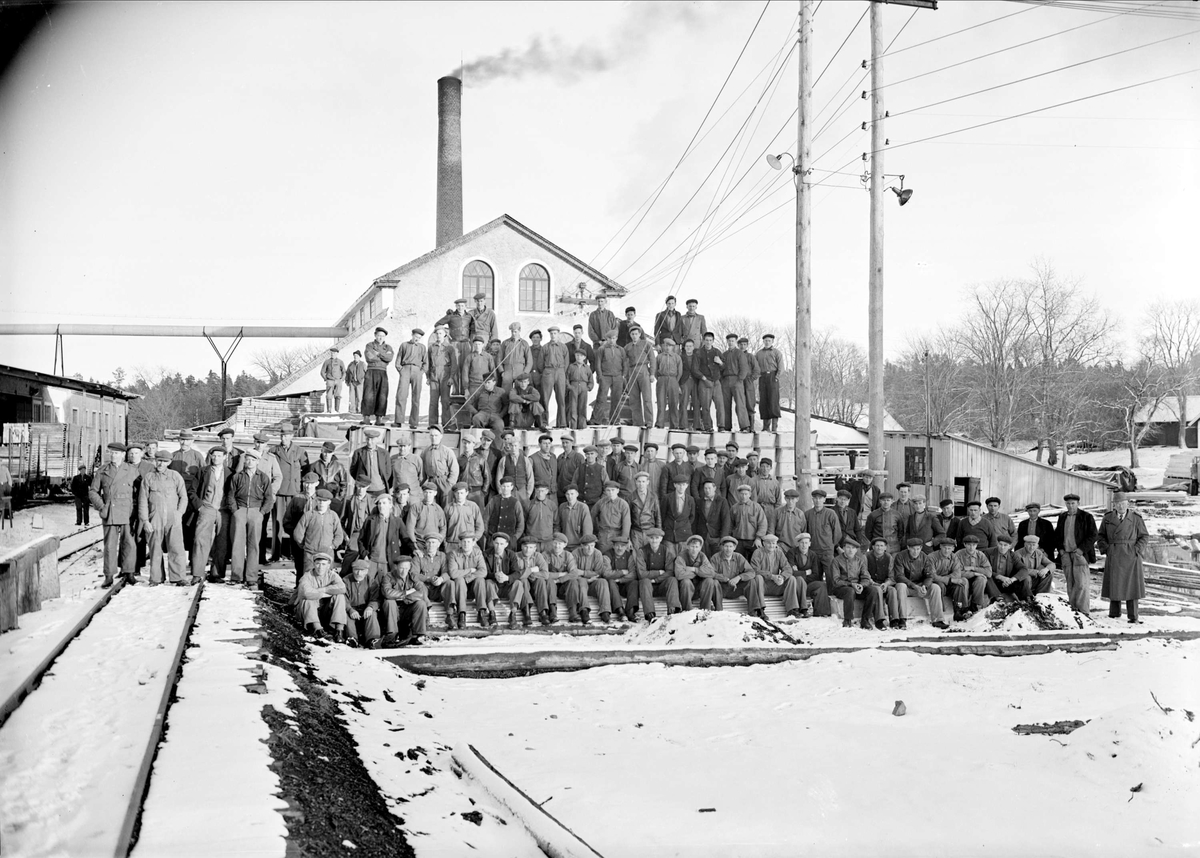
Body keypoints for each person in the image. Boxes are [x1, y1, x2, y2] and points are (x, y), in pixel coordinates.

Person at [137, 451, 189, 585]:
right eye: (159, 460)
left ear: (169, 462)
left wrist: (179, 513)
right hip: (155, 517)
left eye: (164, 461)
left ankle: (178, 577)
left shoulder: (175, 476)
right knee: (155, 548)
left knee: (176, 547)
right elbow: (142, 501)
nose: (161, 464)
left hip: (173, 517)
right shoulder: (149, 477)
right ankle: (156, 578)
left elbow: (183, 497)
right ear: (155, 461)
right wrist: (145, 521)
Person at [225, 448, 275, 587]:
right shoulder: (237, 476)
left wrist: (262, 512)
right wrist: (235, 510)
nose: (249, 462)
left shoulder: (263, 477)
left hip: (256, 512)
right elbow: (230, 495)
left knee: (254, 545)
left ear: (257, 461)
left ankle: (251, 576)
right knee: (237, 544)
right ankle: (236, 576)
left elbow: (269, 498)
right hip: (240, 511)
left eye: (253, 460)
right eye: (247, 459)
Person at [1097, 492, 1148, 623]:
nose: (1120, 506)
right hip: (1114, 554)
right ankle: (1114, 614)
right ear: (1114, 505)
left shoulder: (1136, 518)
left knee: (1132, 586)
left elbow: (1144, 536)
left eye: (1123, 503)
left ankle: (1133, 616)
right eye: (1117, 504)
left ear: (1128, 504)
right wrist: (1107, 549)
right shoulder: (1108, 518)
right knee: (1115, 584)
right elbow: (1100, 536)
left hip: (1131, 555)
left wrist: (1136, 549)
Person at [1054, 492, 1098, 614]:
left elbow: (1093, 534)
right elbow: (1057, 535)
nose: (1070, 506)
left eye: (1073, 503)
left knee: (1082, 584)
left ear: (1078, 503)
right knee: (1070, 583)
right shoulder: (1062, 517)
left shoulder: (1086, 517)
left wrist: (1081, 550)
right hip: (1066, 555)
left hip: (1080, 554)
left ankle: (1083, 611)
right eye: (1068, 503)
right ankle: (1073, 609)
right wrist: (1061, 550)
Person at [190, 447, 227, 584]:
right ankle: (197, 574)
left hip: (223, 510)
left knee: (221, 542)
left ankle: (216, 574)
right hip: (206, 508)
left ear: (224, 457)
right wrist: (199, 506)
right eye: (214, 456)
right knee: (200, 540)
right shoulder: (203, 471)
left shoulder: (230, 473)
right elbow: (192, 491)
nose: (216, 458)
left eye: (219, 456)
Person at [892, 537, 948, 629]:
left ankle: (938, 619)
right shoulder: (900, 556)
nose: (915, 551)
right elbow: (899, 576)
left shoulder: (925, 557)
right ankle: (902, 619)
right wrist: (914, 586)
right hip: (908, 586)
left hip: (921, 586)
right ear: (908, 547)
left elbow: (929, 575)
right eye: (913, 549)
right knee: (900, 586)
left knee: (935, 587)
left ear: (921, 548)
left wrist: (925, 586)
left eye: (918, 549)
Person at [270, 423, 305, 564]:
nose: (284, 438)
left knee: (294, 524)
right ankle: (276, 554)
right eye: (282, 435)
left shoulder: (300, 451)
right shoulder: (274, 451)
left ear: (292, 436)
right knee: (277, 523)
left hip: (294, 493)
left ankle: (293, 553)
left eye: (287, 435)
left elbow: (306, 470)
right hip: (279, 491)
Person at [293, 489, 347, 579]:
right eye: (320, 500)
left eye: (324, 501)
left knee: (326, 578)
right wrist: (306, 546)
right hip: (310, 554)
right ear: (316, 500)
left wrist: (332, 546)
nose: (322, 503)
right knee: (308, 578)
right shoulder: (308, 515)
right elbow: (298, 533)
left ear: (329, 502)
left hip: (327, 553)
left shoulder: (333, 516)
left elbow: (339, 534)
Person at [293, 552, 348, 640]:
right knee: (308, 599)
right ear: (314, 564)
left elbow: (342, 588)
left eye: (323, 564)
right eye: (318, 564)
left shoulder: (333, 575)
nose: (320, 567)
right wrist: (323, 594)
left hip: (323, 611)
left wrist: (323, 589)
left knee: (340, 596)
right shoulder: (307, 576)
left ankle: (339, 630)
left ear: (328, 565)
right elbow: (306, 593)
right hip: (307, 612)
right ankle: (318, 630)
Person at [379, 555, 428, 646]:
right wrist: (406, 593)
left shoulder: (413, 576)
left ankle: (418, 635)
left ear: (409, 567)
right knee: (389, 602)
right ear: (396, 567)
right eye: (401, 568)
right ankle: (391, 635)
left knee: (420, 603)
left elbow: (422, 592)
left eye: (406, 568)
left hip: (407, 608)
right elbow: (387, 593)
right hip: (392, 611)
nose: (404, 571)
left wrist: (405, 597)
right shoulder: (388, 576)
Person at [753, 533, 806, 619]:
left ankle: (792, 610)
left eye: (774, 543)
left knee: (791, 578)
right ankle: (760, 610)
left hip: (776, 585)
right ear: (764, 543)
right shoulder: (758, 552)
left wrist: (782, 577)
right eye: (769, 543)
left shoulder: (779, 552)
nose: (771, 545)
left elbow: (788, 568)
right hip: (763, 586)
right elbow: (755, 570)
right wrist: (771, 576)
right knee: (758, 578)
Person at [830, 538, 878, 630]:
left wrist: (861, 585)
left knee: (873, 590)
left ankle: (865, 619)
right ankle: (847, 619)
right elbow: (836, 580)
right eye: (848, 547)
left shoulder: (860, 561)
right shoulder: (836, 561)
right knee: (850, 591)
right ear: (843, 548)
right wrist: (851, 584)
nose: (850, 550)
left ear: (856, 550)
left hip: (857, 587)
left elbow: (866, 577)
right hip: (841, 588)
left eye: (853, 548)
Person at [447, 533, 490, 629]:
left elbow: (483, 571)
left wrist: (469, 577)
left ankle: (481, 612)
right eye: (464, 542)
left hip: (473, 589)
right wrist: (470, 570)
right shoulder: (454, 554)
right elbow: (453, 573)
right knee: (459, 580)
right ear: (460, 543)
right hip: (460, 589)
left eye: (469, 542)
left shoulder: (478, 553)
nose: (466, 544)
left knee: (480, 580)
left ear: (473, 543)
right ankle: (462, 614)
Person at [805, 489, 843, 589]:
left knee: (831, 576)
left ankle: (831, 597)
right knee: (816, 576)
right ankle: (818, 598)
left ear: (824, 499)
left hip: (827, 551)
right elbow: (805, 533)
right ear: (812, 499)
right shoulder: (808, 514)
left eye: (820, 498)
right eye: (815, 498)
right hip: (813, 551)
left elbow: (838, 533)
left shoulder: (831, 513)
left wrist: (831, 546)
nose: (817, 500)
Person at [788, 532, 831, 617]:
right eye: (802, 543)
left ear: (810, 544)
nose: (804, 545)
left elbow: (815, 575)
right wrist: (806, 572)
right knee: (800, 580)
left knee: (821, 585)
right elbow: (790, 572)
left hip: (808, 584)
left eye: (806, 543)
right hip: (796, 584)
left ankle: (821, 612)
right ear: (798, 544)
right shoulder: (791, 553)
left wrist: (799, 573)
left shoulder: (813, 555)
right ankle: (802, 609)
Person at [341, 558, 383, 648]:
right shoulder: (345, 580)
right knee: (347, 616)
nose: (359, 573)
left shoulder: (371, 581)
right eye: (356, 570)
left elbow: (376, 598)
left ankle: (373, 639)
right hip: (351, 608)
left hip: (365, 608)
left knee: (372, 614)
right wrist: (350, 610)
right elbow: (343, 598)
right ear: (352, 570)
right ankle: (352, 639)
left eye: (362, 571)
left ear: (367, 571)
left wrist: (370, 607)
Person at [865, 536, 904, 630]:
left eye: (882, 546)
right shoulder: (866, 556)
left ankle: (894, 619)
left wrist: (886, 584)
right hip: (870, 584)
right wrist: (873, 583)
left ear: (885, 547)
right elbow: (864, 573)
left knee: (893, 590)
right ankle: (879, 619)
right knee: (877, 590)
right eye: (877, 545)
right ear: (873, 547)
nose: (879, 548)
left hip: (884, 583)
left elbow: (892, 576)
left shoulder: (889, 558)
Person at [951, 534, 994, 617]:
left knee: (982, 579)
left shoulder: (980, 555)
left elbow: (989, 573)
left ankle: (975, 605)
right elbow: (956, 573)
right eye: (969, 545)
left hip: (976, 583)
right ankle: (963, 608)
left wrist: (973, 568)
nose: (971, 548)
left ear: (976, 545)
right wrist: (973, 573)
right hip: (963, 580)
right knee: (964, 581)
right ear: (964, 545)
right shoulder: (958, 555)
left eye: (974, 545)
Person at [603, 536, 642, 622]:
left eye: (622, 546)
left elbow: (633, 574)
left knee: (634, 583)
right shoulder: (607, 555)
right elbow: (606, 573)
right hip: (612, 588)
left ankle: (631, 611)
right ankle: (620, 612)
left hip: (624, 585)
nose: (619, 548)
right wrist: (622, 572)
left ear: (626, 547)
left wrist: (620, 580)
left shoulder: (629, 556)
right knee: (611, 581)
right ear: (613, 546)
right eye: (617, 545)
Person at [393, 328, 427, 428]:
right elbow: (398, 360)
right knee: (401, 395)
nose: (417, 339)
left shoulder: (422, 347)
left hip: (417, 371)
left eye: (419, 338)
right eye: (416, 337)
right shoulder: (404, 345)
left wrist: (421, 372)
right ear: (412, 335)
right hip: (405, 369)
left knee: (416, 397)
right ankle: (399, 420)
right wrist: (401, 370)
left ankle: (414, 422)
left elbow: (425, 362)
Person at [436, 298, 473, 389]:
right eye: (458, 306)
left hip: (465, 343)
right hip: (455, 343)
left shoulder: (469, 316)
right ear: (456, 306)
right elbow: (437, 324)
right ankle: (456, 390)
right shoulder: (451, 316)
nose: (460, 307)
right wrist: (446, 331)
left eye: (462, 306)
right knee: (455, 365)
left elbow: (473, 329)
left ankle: (465, 389)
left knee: (465, 366)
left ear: (465, 306)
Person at [530, 534, 566, 625]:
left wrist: (559, 580)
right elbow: (545, 573)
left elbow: (573, 573)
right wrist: (560, 574)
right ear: (551, 543)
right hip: (543, 585)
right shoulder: (544, 555)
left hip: (559, 586)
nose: (557, 546)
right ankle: (545, 612)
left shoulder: (568, 555)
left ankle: (553, 610)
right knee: (548, 580)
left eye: (559, 544)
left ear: (564, 545)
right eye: (555, 543)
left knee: (550, 580)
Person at [623, 325, 655, 427]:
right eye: (632, 334)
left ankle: (649, 422)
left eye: (636, 334)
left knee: (647, 398)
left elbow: (652, 359)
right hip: (632, 371)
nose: (634, 336)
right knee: (634, 399)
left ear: (640, 334)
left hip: (644, 370)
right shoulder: (627, 347)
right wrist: (626, 376)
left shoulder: (646, 344)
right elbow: (625, 362)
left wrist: (652, 374)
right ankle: (637, 422)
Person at [361, 326, 394, 426]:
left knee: (382, 395)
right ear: (375, 335)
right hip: (371, 371)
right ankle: (366, 417)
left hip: (382, 372)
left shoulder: (388, 347)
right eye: (379, 335)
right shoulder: (369, 345)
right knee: (368, 394)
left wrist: (378, 354)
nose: (380, 338)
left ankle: (379, 418)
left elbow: (389, 358)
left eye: (383, 336)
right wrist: (383, 356)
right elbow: (369, 357)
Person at [593, 328, 626, 424]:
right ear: (607, 339)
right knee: (601, 398)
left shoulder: (621, 350)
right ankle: (597, 419)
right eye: (610, 338)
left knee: (616, 399)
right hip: (605, 376)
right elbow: (598, 364)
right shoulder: (601, 349)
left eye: (614, 338)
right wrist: (600, 376)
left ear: (616, 338)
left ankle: (615, 420)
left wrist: (623, 375)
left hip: (617, 376)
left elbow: (624, 363)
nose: (612, 340)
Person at [539, 326, 570, 428]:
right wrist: (546, 371)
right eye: (551, 333)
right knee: (545, 398)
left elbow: (566, 362)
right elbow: (540, 363)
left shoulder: (563, 347)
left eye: (555, 333)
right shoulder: (545, 347)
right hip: (548, 371)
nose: (553, 335)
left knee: (561, 398)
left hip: (560, 371)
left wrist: (562, 372)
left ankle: (561, 423)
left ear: (558, 334)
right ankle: (544, 422)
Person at [422, 425, 459, 504]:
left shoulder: (447, 451)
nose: (433, 438)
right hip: (431, 482)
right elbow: (422, 471)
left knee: (446, 506)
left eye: (436, 435)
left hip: (444, 482)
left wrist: (449, 485)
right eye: (431, 435)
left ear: (441, 436)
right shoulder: (425, 452)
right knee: (432, 506)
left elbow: (454, 470)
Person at [693, 332, 723, 432]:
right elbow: (695, 369)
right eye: (706, 340)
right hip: (704, 381)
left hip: (716, 382)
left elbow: (724, 367)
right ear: (703, 341)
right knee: (705, 406)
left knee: (720, 405)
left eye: (710, 340)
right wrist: (704, 379)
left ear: (713, 341)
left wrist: (721, 363)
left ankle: (721, 426)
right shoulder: (698, 353)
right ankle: (708, 426)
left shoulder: (717, 352)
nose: (708, 342)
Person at [985, 535, 1030, 601]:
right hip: (993, 583)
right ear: (997, 543)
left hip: (1007, 584)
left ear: (1010, 546)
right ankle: (998, 598)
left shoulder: (1013, 555)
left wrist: (1011, 580)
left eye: (1005, 545)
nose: (1002, 547)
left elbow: (1024, 569)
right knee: (986, 576)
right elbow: (985, 569)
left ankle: (1027, 599)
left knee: (1023, 579)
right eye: (1000, 544)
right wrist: (1001, 577)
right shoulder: (989, 552)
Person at [350, 428, 393, 495]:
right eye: (367, 439)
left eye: (372, 439)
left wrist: (379, 482)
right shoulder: (358, 452)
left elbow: (388, 472)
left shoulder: (384, 453)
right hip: (364, 490)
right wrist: (361, 482)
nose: (369, 442)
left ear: (377, 440)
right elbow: (353, 471)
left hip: (380, 489)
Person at [485, 475, 526, 547]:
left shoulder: (515, 502)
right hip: (493, 539)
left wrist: (515, 538)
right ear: (500, 487)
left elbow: (521, 524)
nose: (505, 489)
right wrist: (488, 536)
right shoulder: (494, 500)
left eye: (508, 486)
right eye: (503, 486)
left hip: (509, 540)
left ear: (512, 487)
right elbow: (485, 519)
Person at [591, 480, 631, 552]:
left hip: (617, 535)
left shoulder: (623, 504)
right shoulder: (601, 503)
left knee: (617, 557)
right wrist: (596, 532)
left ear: (617, 491)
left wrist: (623, 540)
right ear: (605, 491)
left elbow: (626, 524)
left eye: (613, 490)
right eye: (608, 490)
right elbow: (592, 516)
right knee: (604, 557)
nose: (611, 492)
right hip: (603, 536)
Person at [408, 480, 448, 546]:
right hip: (419, 542)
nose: (428, 495)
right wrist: (414, 542)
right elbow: (410, 527)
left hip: (434, 543)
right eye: (426, 492)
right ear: (423, 493)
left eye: (430, 492)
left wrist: (439, 541)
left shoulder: (438, 509)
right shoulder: (416, 507)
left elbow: (443, 528)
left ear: (435, 493)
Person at [755, 333, 782, 432]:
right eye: (765, 340)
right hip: (762, 377)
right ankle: (765, 427)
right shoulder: (759, 353)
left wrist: (777, 377)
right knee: (763, 401)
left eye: (769, 341)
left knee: (773, 400)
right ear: (763, 341)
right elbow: (755, 366)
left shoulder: (776, 352)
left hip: (772, 376)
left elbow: (781, 367)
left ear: (772, 342)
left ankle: (774, 427)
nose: (767, 342)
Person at [499, 322, 533, 391]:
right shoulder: (505, 343)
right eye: (512, 332)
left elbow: (529, 361)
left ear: (519, 330)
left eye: (515, 332)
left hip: (520, 370)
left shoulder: (524, 343)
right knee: (505, 391)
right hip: (507, 370)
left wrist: (525, 373)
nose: (513, 334)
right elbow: (499, 359)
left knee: (520, 391)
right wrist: (502, 371)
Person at [566, 348, 593, 430]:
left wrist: (588, 388)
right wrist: (570, 387)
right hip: (574, 386)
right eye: (577, 355)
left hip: (583, 387)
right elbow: (566, 378)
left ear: (584, 357)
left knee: (582, 406)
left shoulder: (587, 368)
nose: (579, 357)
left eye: (581, 356)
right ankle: (573, 425)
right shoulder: (571, 366)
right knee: (573, 407)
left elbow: (591, 379)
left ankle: (582, 425)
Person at [556, 433, 584, 504]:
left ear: (572, 443)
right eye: (563, 443)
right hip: (561, 492)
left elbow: (581, 476)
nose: (565, 445)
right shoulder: (560, 457)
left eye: (567, 443)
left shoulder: (578, 457)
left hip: (572, 493)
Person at [320, 347, 346, 414]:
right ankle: (329, 410)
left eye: (334, 353)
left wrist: (342, 379)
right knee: (329, 395)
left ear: (337, 353)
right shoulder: (327, 362)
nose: (332, 354)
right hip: (330, 381)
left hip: (338, 381)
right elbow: (322, 372)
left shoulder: (340, 362)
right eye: (331, 353)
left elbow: (344, 372)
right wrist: (326, 379)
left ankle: (337, 410)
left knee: (337, 395)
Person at [346, 349, 366, 414]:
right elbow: (347, 373)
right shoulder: (351, 364)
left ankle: (360, 410)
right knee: (352, 397)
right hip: (352, 382)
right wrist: (347, 381)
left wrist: (364, 381)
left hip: (360, 382)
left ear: (359, 357)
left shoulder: (363, 364)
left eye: (357, 356)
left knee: (360, 397)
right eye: (354, 356)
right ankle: (352, 410)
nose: (355, 357)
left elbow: (367, 373)